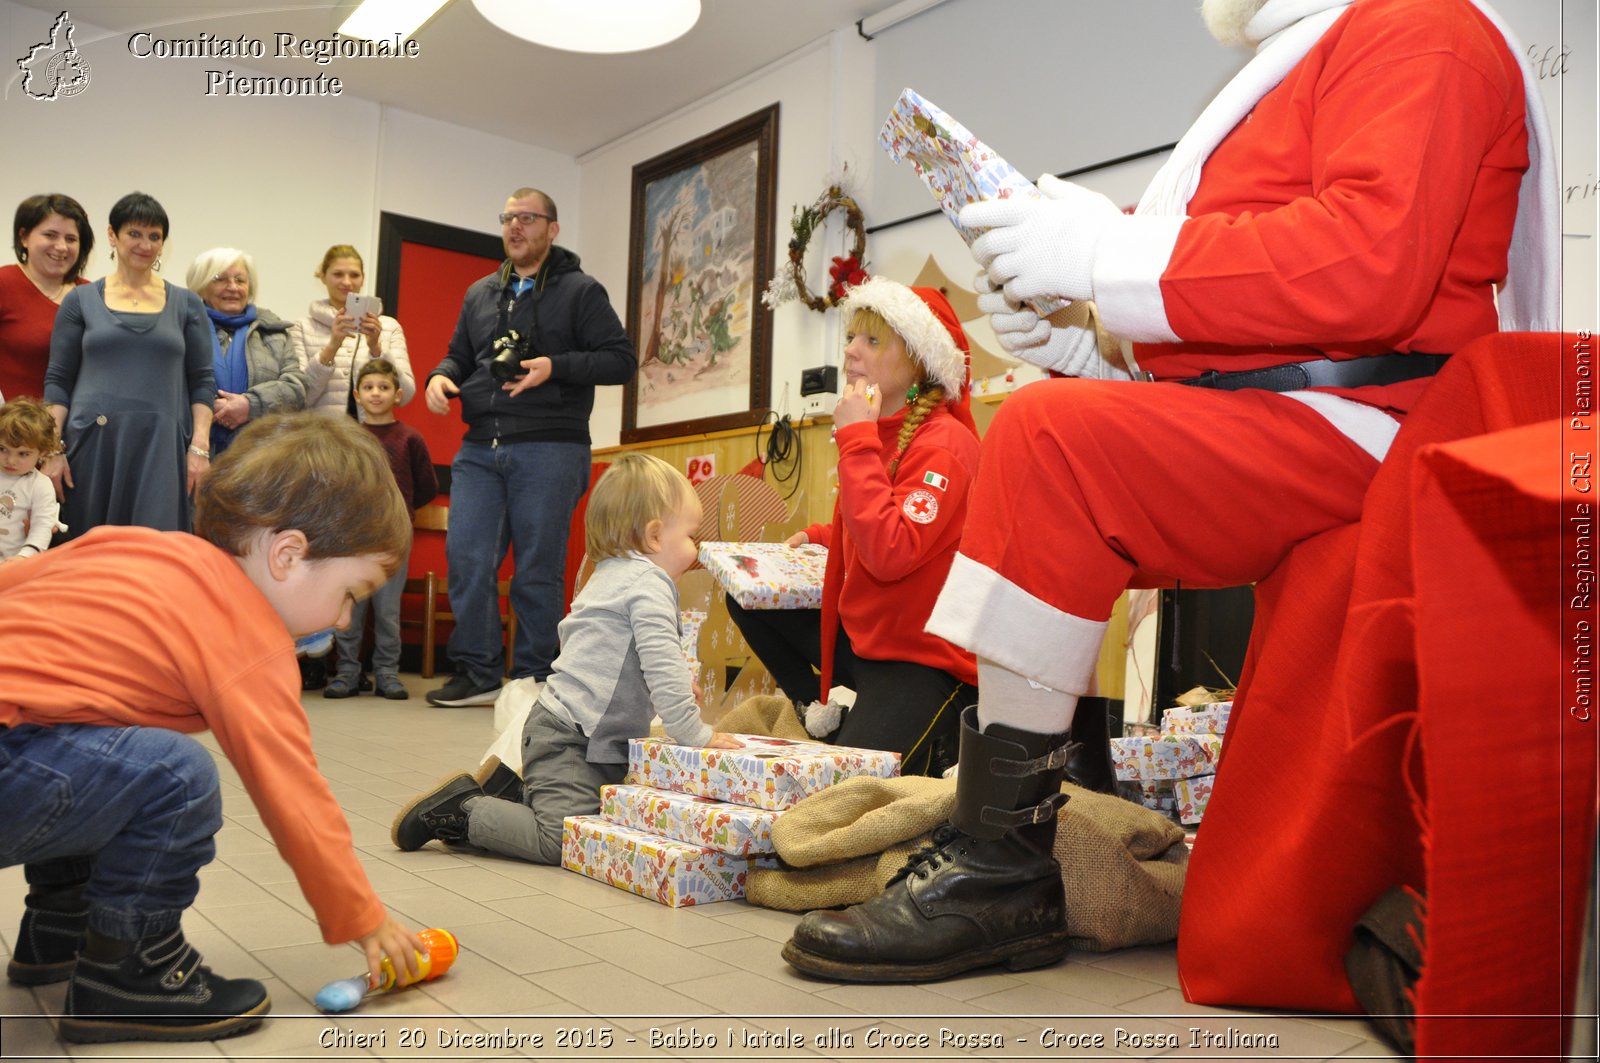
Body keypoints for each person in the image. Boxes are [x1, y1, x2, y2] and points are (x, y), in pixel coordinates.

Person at [781, 0, 1558, 985]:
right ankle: (1000, 855)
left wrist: (1100, 260)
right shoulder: (1329, 47)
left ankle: (999, 863)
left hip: (1379, 426)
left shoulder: (1420, 27)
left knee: (1045, 439)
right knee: (1049, 431)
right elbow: (1266, 311)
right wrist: (1088, 343)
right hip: (1317, 413)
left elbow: (1368, 264)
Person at [0, 412, 424, 1044]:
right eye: (350, 594)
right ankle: (131, 972)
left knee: (100, 740)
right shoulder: (247, 631)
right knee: (173, 777)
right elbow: (294, 795)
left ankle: (60, 928)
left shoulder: (141, 547)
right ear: (289, 555)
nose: (341, 622)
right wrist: (364, 917)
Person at [391, 452, 741, 861]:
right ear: (654, 536)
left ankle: (514, 792)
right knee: (561, 840)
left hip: (586, 739)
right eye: (690, 537)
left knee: (602, 819)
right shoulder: (650, 584)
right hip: (569, 740)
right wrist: (696, 735)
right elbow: (661, 668)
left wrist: (681, 681)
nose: (694, 548)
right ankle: (462, 810)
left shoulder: (610, 572)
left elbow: (630, 654)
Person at [726, 279, 978, 776]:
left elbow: (892, 551)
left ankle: (936, 734)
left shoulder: (943, 444)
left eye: (873, 341)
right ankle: (821, 713)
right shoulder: (877, 429)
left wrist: (856, 440)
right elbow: (876, 516)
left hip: (925, 661)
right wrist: (825, 537)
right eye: (852, 338)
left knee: (845, 795)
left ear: (919, 363)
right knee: (747, 592)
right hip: (868, 640)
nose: (850, 351)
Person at [423, 187, 636, 707]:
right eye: (508, 218)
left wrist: (555, 365)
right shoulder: (479, 294)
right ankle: (476, 674)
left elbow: (620, 360)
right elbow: (459, 355)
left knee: (537, 568)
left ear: (552, 228)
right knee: (467, 558)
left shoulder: (581, 291)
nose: (515, 226)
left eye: (528, 217)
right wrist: (439, 376)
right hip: (478, 447)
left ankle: (534, 678)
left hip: (550, 446)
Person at [43, 192, 216, 536]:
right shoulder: (79, 300)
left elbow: (202, 382)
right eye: (134, 234)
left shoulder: (186, 304)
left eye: (155, 237)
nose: (145, 245)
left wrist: (200, 447)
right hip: (92, 448)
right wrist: (50, 448)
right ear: (112, 235)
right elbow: (58, 380)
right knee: (86, 555)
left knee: (155, 553)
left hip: (162, 451)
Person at [325, 358, 437, 700]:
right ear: (357, 394)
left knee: (388, 610)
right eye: (369, 388)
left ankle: (387, 673)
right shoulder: (346, 437)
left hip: (392, 539)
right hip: (352, 537)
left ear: (398, 394)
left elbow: (426, 487)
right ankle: (347, 672)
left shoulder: (410, 439)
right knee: (351, 607)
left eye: (384, 388)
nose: (376, 393)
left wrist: (398, 515)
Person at [186, 248, 305, 457]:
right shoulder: (182, 329)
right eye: (220, 279)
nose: (232, 287)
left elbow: (296, 387)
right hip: (194, 452)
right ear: (201, 286)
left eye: (240, 280)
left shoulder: (274, 331)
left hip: (262, 457)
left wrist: (250, 404)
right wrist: (209, 406)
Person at [292, 244, 414, 421]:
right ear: (323, 276)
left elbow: (405, 395)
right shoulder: (302, 328)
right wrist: (331, 348)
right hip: (320, 439)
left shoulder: (389, 326)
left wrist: (376, 350)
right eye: (338, 274)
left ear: (363, 279)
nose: (347, 282)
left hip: (371, 439)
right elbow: (299, 399)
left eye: (355, 275)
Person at [1, 194, 93, 405]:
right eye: (50, 235)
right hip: (19, 431)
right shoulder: (4, 284)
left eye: (71, 239)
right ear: (24, 237)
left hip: (81, 429)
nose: (61, 247)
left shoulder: (91, 294)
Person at [0, 396, 62, 562]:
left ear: (42, 452)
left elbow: (42, 526)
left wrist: (25, 556)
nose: (11, 460)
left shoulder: (40, 485)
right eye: (2, 449)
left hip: (12, 565)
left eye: (23, 454)